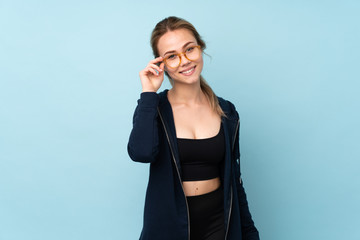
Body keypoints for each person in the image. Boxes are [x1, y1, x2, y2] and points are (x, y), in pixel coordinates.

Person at [127, 16, 260, 240]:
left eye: (189, 49)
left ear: (201, 48)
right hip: (169, 226)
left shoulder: (227, 111)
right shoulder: (154, 108)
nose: (184, 61)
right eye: (172, 56)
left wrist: (249, 233)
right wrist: (148, 94)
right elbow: (141, 153)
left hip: (219, 225)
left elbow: (234, 181)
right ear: (162, 65)